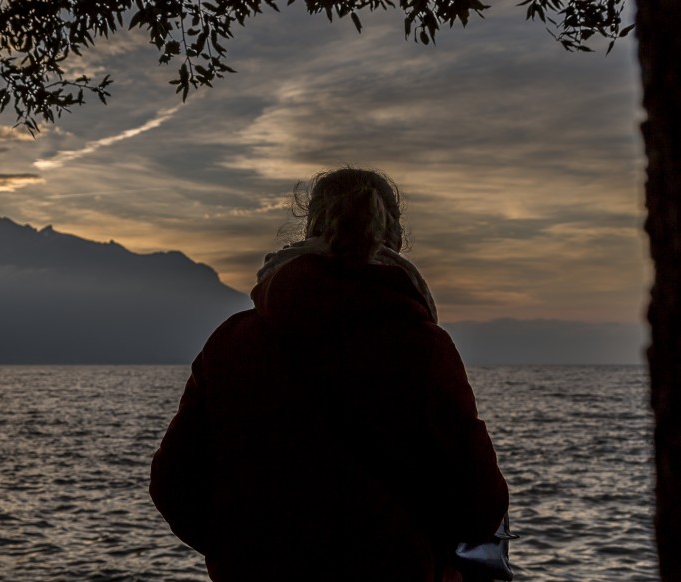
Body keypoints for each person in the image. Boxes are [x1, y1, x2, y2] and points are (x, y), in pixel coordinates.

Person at [149, 167, 508, 582]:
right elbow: (481, 506)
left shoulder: (233, 341)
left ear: (309, 229)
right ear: (394, 240)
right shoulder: (422, 347)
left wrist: (241, 550)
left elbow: (172, 484)